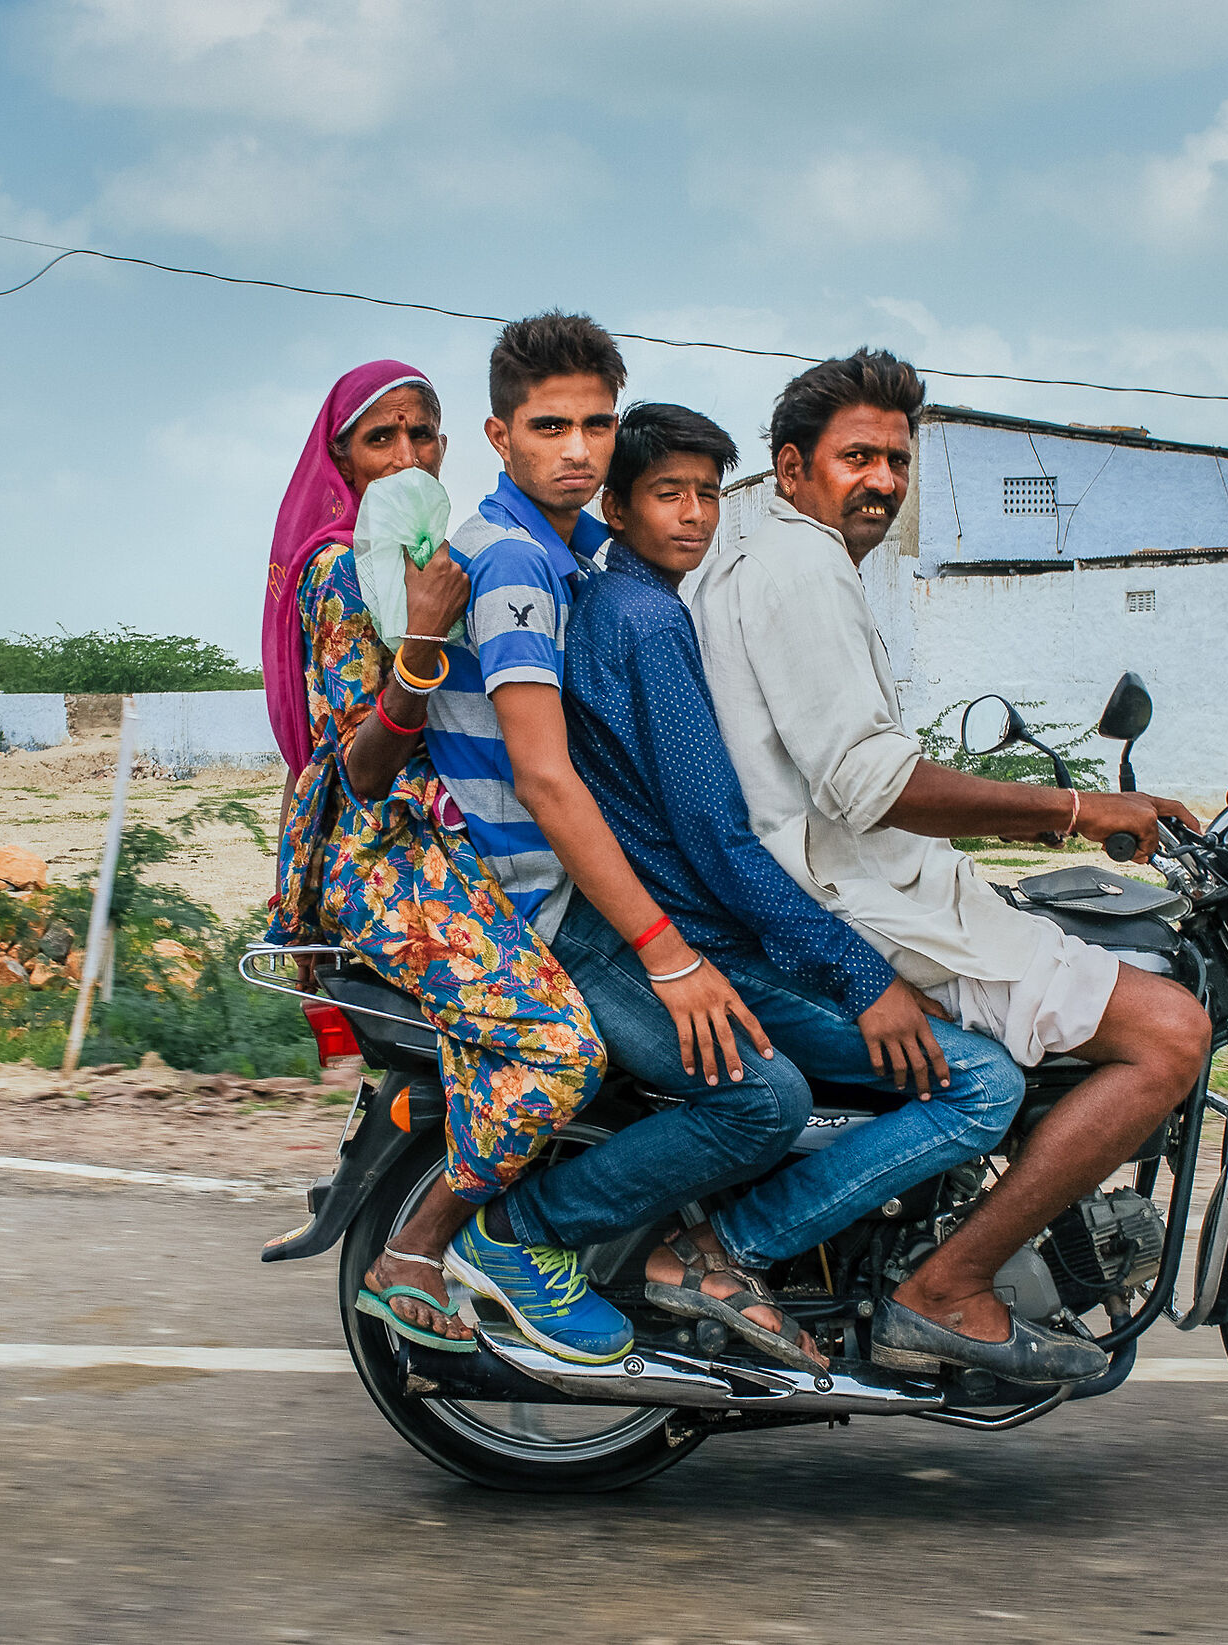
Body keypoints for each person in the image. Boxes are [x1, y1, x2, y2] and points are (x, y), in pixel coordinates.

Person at [693, 349, 1214, 1384]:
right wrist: (1074, 811)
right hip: (861, 907)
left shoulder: (780, 562)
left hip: (866, 888)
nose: (884, 478)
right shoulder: (798, 568)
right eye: (858, 457)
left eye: (897, 458)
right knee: (1171, 1033)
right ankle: (945, 1287)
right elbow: (869, 780)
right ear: (793, 470)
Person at [490, 400, 1025, 1369]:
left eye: (706, 494)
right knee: (983, 1082)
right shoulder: (648, 620)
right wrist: (861, 975)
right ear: (616, 507)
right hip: (686, 936)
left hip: (690, 924)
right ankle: (700, 1249)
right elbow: (719, 838)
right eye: (666, 493)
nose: (693, 514)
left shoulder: (633, 602)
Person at [419, 312, 798, 1359]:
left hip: (561, 885)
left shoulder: (563, 543)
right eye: (550, 428)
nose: (579, 451)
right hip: (543, 904)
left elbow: (653, 551)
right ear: (500, 438)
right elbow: (545, 776)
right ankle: (519, 1242)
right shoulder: (511, 567)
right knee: (764, 1100)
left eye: (596, 425)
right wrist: (666, 955)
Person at [261, 359, 618, 1365]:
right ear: (341, 461)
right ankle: (419, 1251)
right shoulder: (343, 571)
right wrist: (419, 644)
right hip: (389, 862)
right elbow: (364, 770)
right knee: (562, 1049)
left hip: (446, 844)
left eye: (424, 437)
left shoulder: (442, 555)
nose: (408, 457)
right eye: (382, 440)